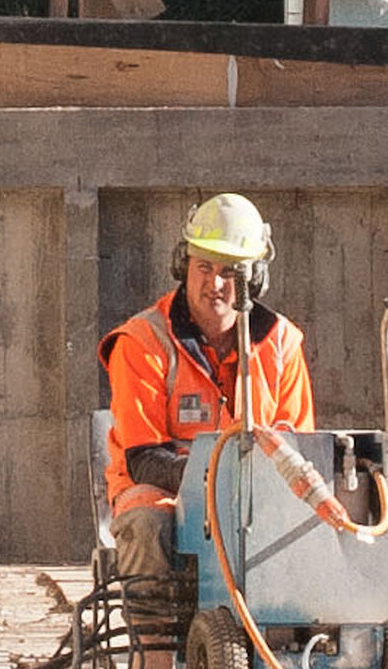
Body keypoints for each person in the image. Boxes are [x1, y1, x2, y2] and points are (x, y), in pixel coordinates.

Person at [100, 191, 314, 516]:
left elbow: (298, 445)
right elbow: (144, 459)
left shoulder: (281, 342)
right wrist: (217, 481)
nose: (214, 282)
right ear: (183, 266)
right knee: (147, 519)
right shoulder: (142, 342)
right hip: (162, 492)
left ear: (254, 278)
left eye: (229, 271)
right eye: (204, 266)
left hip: (257, 496)